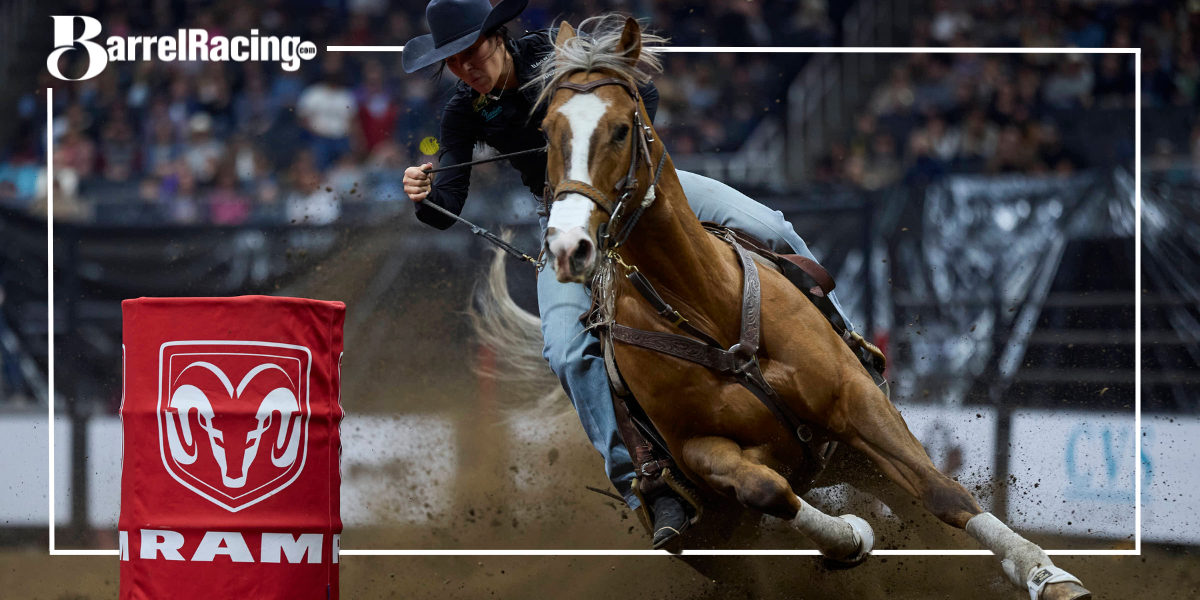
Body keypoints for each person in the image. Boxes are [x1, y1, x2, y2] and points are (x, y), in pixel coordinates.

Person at [401, 0, 881, 548]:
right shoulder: (463, 113)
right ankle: (645, 483)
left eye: (471, 52)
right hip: (566, 217)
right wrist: (423, 194)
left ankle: (850, 348)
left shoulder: (551, 56)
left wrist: (591, 128)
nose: (466, 68)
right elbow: (446, 205)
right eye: (454, 63)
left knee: (768, 225)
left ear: (498, 38)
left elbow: (642, 96)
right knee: (563, 349)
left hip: (648, 191)